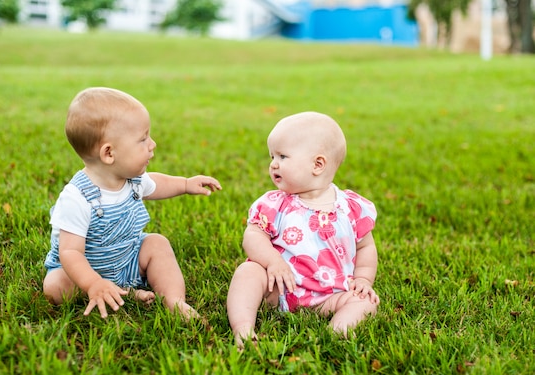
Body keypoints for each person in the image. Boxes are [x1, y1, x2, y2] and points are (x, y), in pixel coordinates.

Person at [44, 87, 222, 320]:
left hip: (127, 258)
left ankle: (174, 300)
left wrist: (186, 184)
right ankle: (118, 292)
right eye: (143, 139)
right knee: (55, 286)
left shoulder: (133, 180)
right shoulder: (77, 198)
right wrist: (93, 283)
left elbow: (157, 184)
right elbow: (70, 252)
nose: (152, 144)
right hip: (84, 270)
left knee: (157, 244)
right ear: (109, 153)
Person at [227, 111, 379, 348]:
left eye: (283, 156)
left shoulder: (350, 207)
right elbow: (253, 235)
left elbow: (366, 246)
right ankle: (243, 329)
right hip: (280, 289)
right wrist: (272, 261)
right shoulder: (276, 203)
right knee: (248, 272)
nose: (273, 164)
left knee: (366, 301)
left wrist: (363, 279)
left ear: (317, 164)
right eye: (272, 156)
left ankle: (336, 334)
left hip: (331, 296)